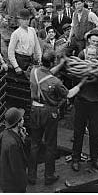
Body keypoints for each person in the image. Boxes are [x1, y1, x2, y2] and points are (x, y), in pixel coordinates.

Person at [70, 30, 98, 172]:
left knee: (94, 132)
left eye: (94, 55)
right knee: (78, 131)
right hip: (81, 101)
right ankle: (75, 159)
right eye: (89, 55)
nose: (91, 58)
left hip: (96, 102)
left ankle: (95, 159)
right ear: (85, 54)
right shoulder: (80, 62)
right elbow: (73, 82)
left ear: (97, 56)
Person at [27, 51, 68, 186]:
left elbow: (47, 72)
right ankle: (49, 176)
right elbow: (67, 94)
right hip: (49, 113)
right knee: (50, 145)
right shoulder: (55, 82)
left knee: (34, 144)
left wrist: (61, 64)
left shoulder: (34, 72)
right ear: (51, 63)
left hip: (34, 110)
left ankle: (31, 176)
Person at [0, 107, 28, 193]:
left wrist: (22, 138)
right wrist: (23, 186)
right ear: (18, 124)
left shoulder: (6, 133)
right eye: (21, 119)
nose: (23, 120)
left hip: (6, 177)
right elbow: (17, 168)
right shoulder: (13, 144)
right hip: (12, 184)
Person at [8, 9, 42, 73]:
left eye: (27, 19)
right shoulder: (16, 33)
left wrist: (39, 58)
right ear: (19, 20)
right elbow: (10, 51)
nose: (26, 21)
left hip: (31, 59)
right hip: (21, 60)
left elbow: (37, 47)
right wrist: (16, 66)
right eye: (24, 20)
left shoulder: (32, 30)